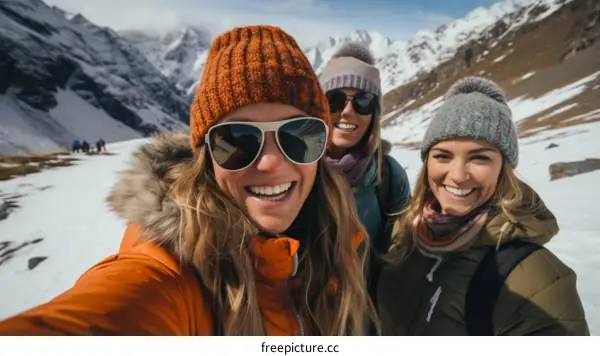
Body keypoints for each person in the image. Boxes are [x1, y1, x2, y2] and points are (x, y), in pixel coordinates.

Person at [0, 25, 377, 336]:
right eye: (237, 139)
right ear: (206, 156)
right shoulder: (170, 275)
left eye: (299, 134)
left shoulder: (333, 242)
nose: (272, 162)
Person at [377, 77, 589, 336]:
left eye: (479, 158)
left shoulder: (537, 279)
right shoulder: (401, 235)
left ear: (503, 169)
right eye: (442, 155)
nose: (457, 175)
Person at [319, 42, 411, 309]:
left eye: (362, 101)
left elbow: (401, 258)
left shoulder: (389, 176)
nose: (347, 111)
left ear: (374, 115)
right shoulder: (293, 169)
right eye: (334, 99)